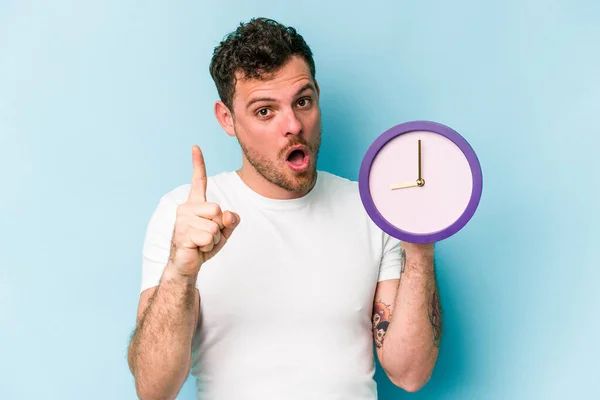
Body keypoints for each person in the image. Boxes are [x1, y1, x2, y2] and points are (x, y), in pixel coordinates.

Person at [127, 17, 442, 400]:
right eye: (265, 111)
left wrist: (420, 247)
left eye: (303, 102)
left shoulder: (370, 209)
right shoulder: (185, 214)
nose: (293, 125)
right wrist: (180, 272)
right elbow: (153, 390)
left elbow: (409, 373)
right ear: (227, 119)